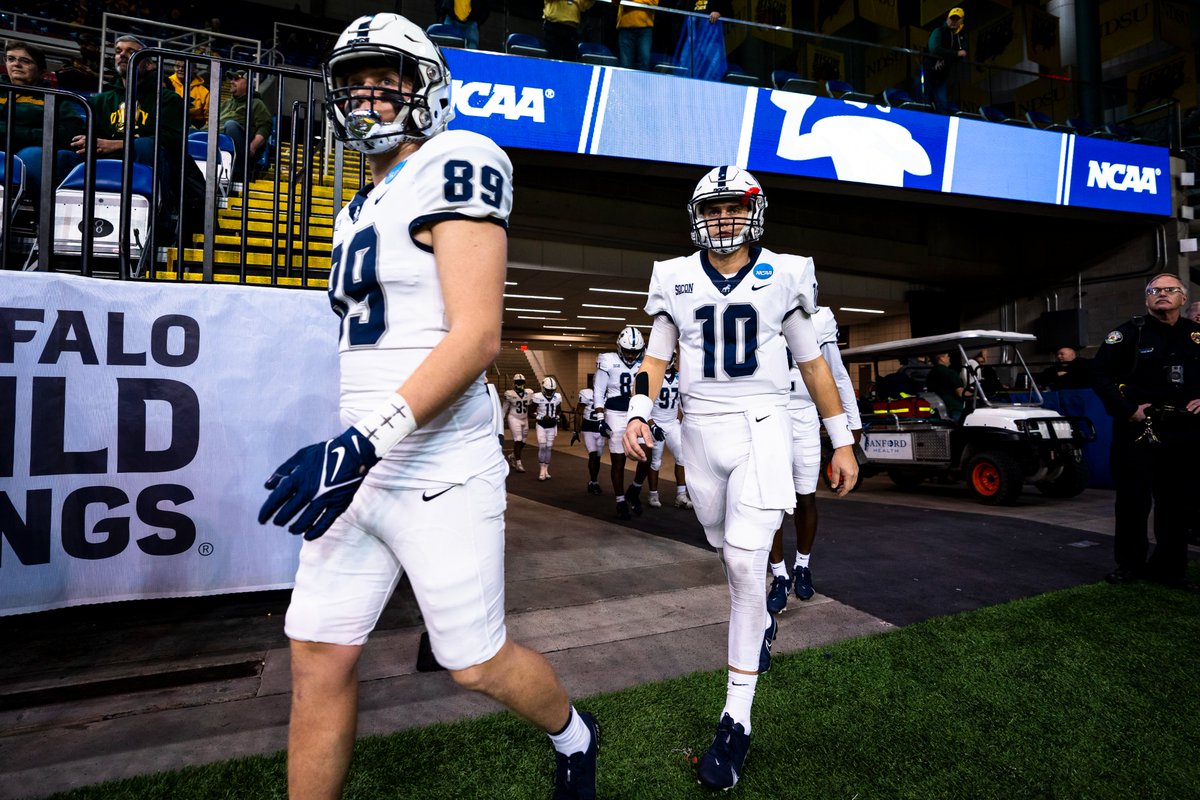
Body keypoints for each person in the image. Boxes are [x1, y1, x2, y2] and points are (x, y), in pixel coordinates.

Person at [257, 15, 597, 799]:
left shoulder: (461, 159)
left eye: (386, 77)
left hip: (437, 463)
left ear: (426, 86)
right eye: (352, 81)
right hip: (359, 463)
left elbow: (477, 336)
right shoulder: (355, 206)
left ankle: (575, 735)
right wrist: (354, 448)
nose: (366, 95)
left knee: (474, 662)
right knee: (317, 653)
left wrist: (359, 444)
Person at [622, 165, 859, 790]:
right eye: (713, 208)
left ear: (753, 211)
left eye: (734, 207)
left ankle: (736, 718)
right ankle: (756, 620)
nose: (723, 219)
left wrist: (842, 441)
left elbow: (812, 367)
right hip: (700, 431)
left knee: (745, 569)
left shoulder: (784, 273)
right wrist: (640, 411)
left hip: (763, 425)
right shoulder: (673, 276)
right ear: (699, 215)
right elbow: (656, 353)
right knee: (724, 550)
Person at [1091, 273, 1200, 590]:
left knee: (1177, 503)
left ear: (1183, 298)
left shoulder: (1195, 335)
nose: (1162, 294)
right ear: (1146, 299)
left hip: (1184, 432)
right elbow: (1099, 375)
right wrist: (1127, 409)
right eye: (1155, 290)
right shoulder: (1127, 334)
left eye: (1170, 290)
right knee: (1132, 502)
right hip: (1138, 431)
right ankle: (1130, 564)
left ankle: (1170, 568)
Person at [767, 307, 861, 614]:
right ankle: (779, 574)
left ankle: (802, 567)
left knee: (805, 497)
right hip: (768, 416)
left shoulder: (819, 319)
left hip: (806, 416)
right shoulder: (758, 310)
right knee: (772, 502)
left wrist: (850, 427)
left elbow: (837, 375)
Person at [71, 35, 185, 189]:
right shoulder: (100, 100)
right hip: (105, 160)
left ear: (149, 65)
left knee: (146, 146)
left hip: (151, 162)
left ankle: (154, 209)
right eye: (118, 51)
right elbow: (92, 137)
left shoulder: (169, 99)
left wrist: (116, 145)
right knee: (62, 157)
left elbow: (171, 141)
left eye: (131, 51)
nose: (122, 54)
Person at [0, 41, 84, 207]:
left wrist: (14, 133)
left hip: (29, 153)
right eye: (11, 59)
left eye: (25, 61)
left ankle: (46, 224)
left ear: (41, 71)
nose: (16, 64)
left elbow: (69, 133)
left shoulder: (56, 99)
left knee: (34, 157)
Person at [594, 325, 651, 519]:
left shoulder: (644, 362)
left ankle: (634, 489)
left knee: (647, 455)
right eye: (627, 351)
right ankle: (620, 501)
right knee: (618, 460)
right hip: (615, 413)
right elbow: (599, 391)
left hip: (636, 412)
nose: (630, 355)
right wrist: (600, 418)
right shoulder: (608, 360)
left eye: (634, 352)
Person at [645, 353, 692, 509]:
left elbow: (681, 404)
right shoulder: (653, 376)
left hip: (672, 423)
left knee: (682, 457)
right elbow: (645, 404)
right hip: (657, 423)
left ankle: (681, 495)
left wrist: (685, 422)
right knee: (656, 461)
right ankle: (652, 494)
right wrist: (652, 424)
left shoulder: (680, 378)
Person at [217, 69, 272, 180]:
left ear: (247, 83)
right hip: (216, 142)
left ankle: (239, 173)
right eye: (231, 79)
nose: (232, 82)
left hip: (239, 147)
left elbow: (265, 126)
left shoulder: (256, 103)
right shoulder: (225, 103)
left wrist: (253, 146)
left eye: (236, 79)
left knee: (231, 125)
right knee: (190, 132)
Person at [674, 0, 732, 81]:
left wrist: (719, 13)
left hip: (711, 39)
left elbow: (729, 12)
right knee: (684, 66)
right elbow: (680, 11)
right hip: (692, 38)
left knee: (713, 69)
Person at [924, 7, 966, 112]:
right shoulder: (939, 31)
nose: (954, 21)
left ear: (961, 21)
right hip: (928, 73)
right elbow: (934, 49)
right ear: (947, 19)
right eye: (952, 18)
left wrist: (956, 54)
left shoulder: (959, 37)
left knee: (942, 104)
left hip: (942, 76)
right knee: (925, 103)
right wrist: (955, 53)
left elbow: (962, 54)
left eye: (957, 19)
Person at [573, 377, 606, 495]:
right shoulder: (586, 393)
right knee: (592, 455)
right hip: (588, 429)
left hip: (600, 430)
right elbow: (579, 412)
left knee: (597, 458)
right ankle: (594, 481)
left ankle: (593, 481)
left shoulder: (609, 394)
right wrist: (576, 430)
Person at [531, 376, 564, 481]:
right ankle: (541, 470)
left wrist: (557, 417)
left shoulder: (557, 397)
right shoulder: (537, 396)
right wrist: (541, 417)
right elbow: (530, 412)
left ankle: (546, 470)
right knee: (542, 446)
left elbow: (559, 410)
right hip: (541, 424)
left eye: (552, 391)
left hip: (552, 425)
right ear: (543, 388)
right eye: (548, 390)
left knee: (549, 447)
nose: (550, 393)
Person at [503, 373, 534, 472]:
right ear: (514, 383)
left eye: (521, 382)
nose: (520, 384)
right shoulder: (510, 394)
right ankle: (518, 463)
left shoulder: (529, 393)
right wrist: (500, 421)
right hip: (514, 418)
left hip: (524, 419)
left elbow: (531, 407)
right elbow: (504, 410)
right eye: (518, 382)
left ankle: (513, 456)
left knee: (523, 442)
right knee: (518, 440)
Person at [926, 351, 969, 420]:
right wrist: (975, 395)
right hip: (954, 409)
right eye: (947, 356)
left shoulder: (931, 373)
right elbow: (961, 393)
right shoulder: (950, 373)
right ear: (942, 358)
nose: (949, 358)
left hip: (936, 410)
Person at [168, 57, 210, 129]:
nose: (180, 69)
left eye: (184, 67)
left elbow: (209, 118)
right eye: (177, 66)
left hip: (194, 127)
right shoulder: (167, 83)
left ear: (194, 69)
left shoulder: (204, 92)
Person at [616, 0, 656, 71]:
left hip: (645, 27)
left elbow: (654, 2)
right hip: (625, 26)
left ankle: (642, 81)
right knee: (625, 64)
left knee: (644, 62)